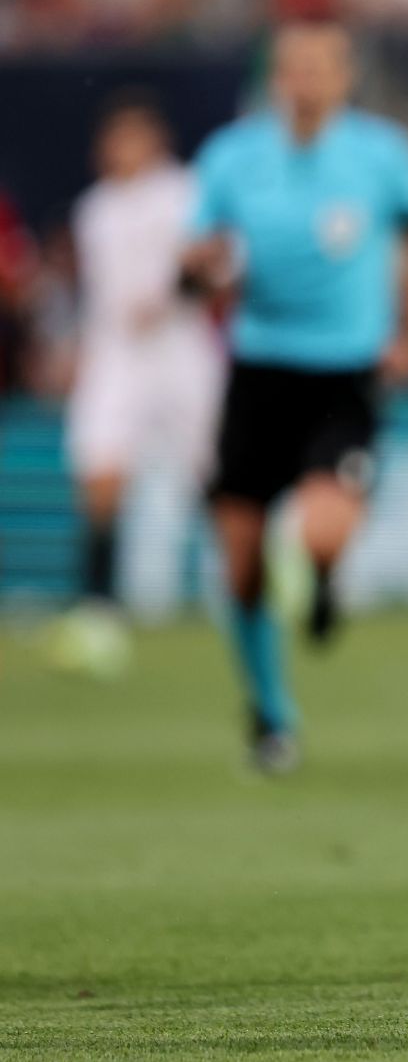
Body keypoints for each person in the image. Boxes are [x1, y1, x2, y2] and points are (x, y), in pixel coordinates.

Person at [184, 18, 408, 773]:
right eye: (291, 68)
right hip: (258, 370)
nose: (304, 81)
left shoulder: (378, 155)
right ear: (275, 77)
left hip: (345, 372)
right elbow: (192, 263)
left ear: (344, 78)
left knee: (322, 532)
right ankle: (271, 714)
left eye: (319, 68)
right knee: (240, 560)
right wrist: (201, 269)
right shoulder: (232, 158)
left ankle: (326, 581)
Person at [53, 94, 222, 676]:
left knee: (216, 471)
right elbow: (103, 296)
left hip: (180, 350)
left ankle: (248, 585)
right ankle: (98, 608)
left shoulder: (185, 192)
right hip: (117, 356)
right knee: (100, 475)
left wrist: (177, 289)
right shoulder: (93, 208)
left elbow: (213, 267)